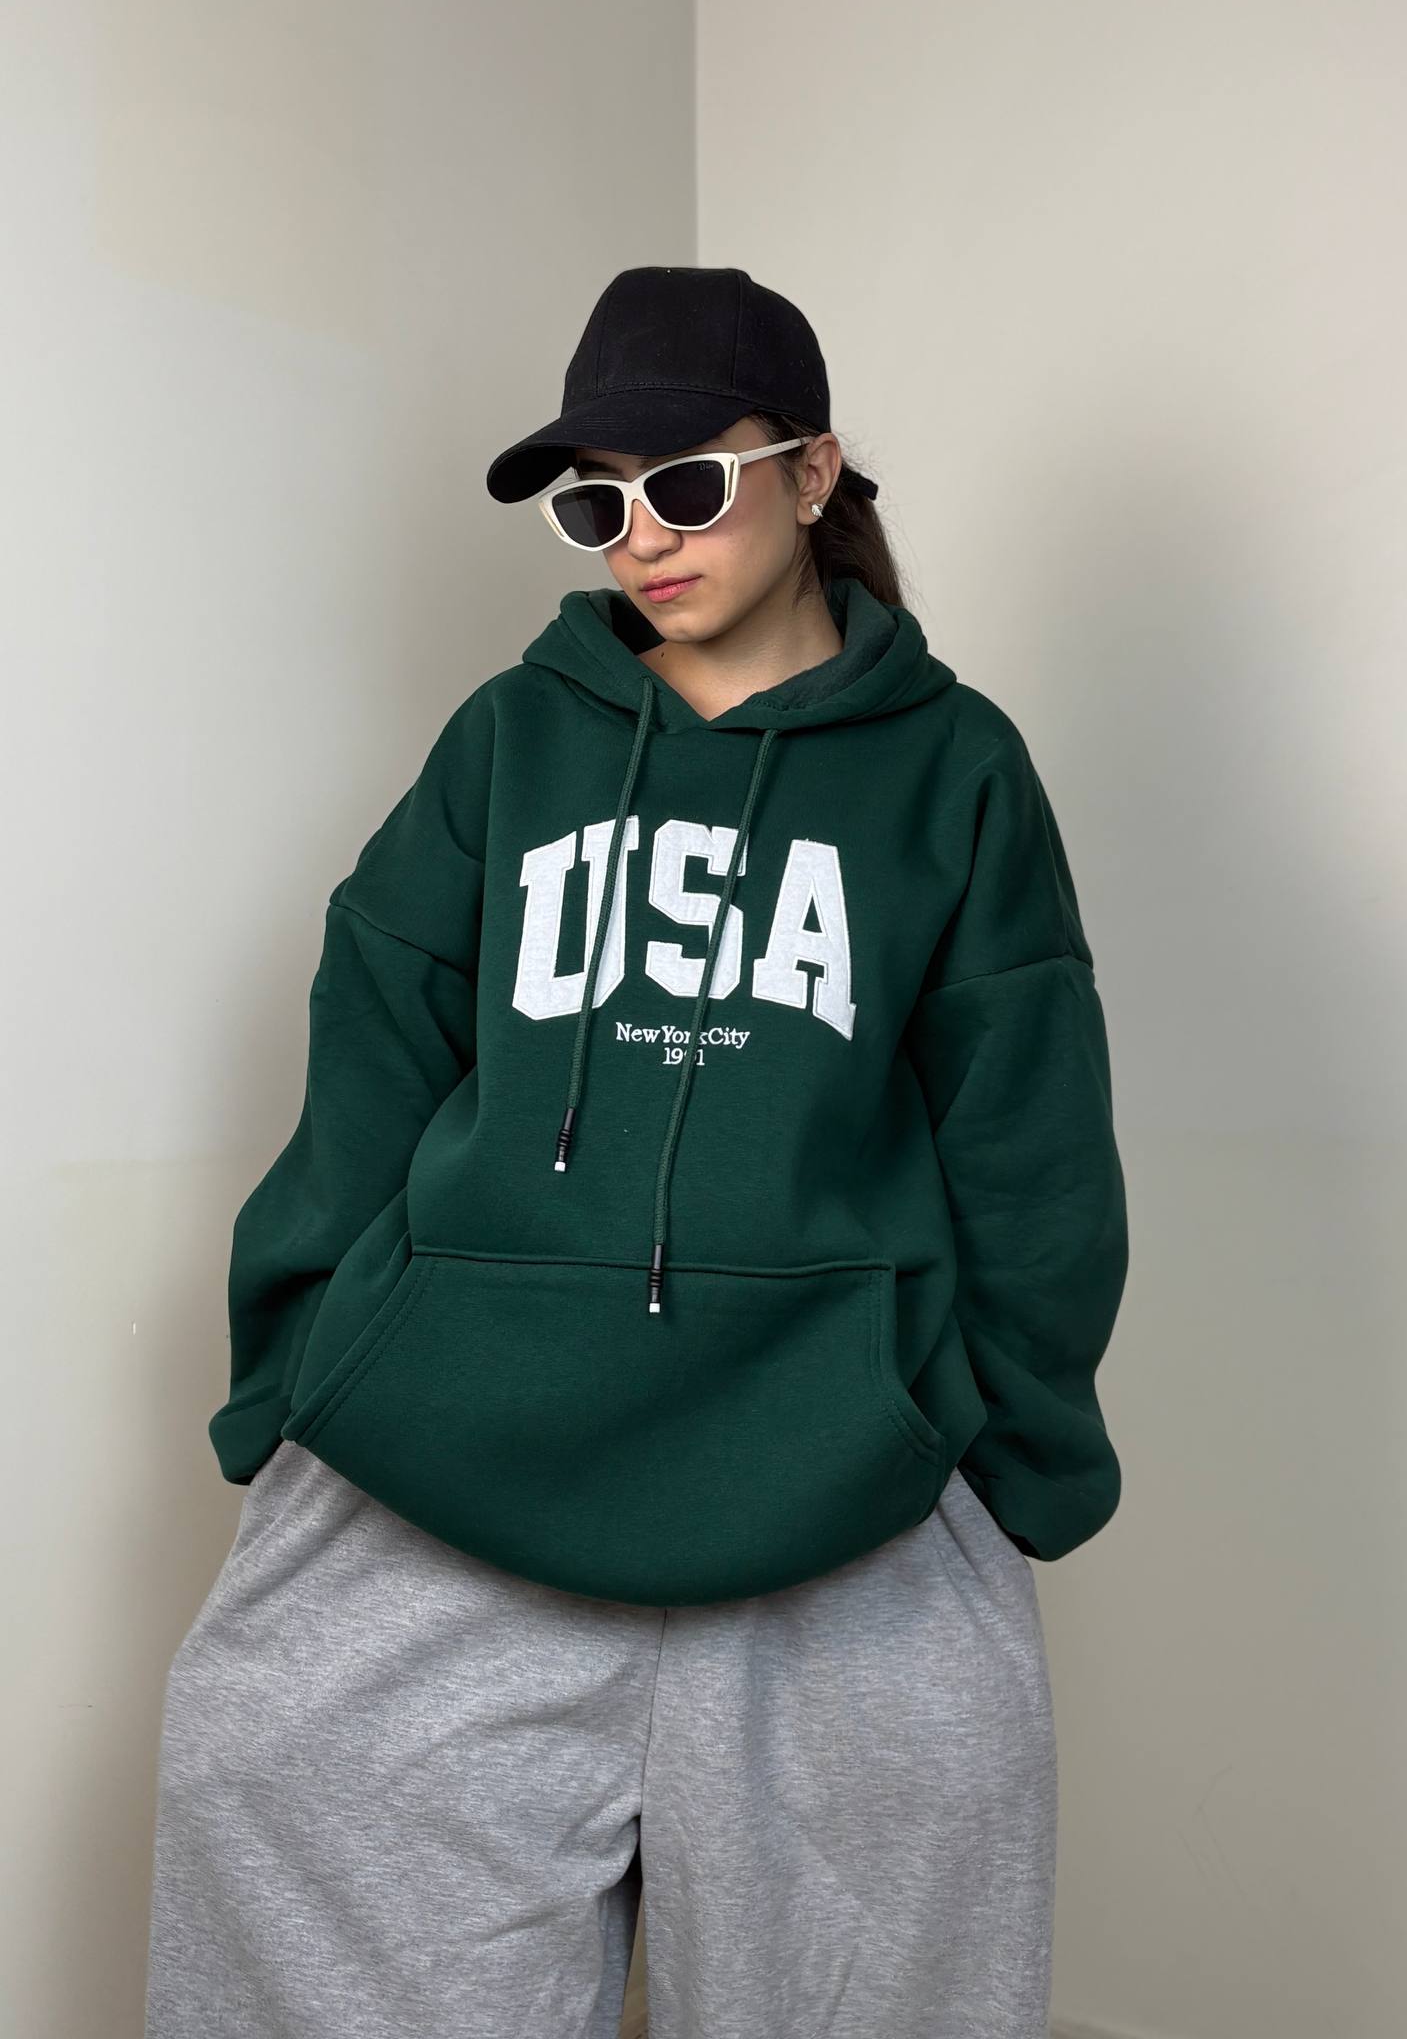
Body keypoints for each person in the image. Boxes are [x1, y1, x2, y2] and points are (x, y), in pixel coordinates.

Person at [143, 263, 1129, 2039]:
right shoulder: (511, 740)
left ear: (811, 475)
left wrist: (1012, 1459)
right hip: (454, 1459)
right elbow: (373, 1045)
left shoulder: (955, 769)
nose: (643, 539)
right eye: (599, 503)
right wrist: (293, 1372)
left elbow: (1028, 1133)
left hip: (835, 1472)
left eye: (685, 482)